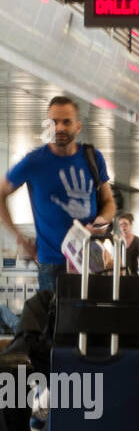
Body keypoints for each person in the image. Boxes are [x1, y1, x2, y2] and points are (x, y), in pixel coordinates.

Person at [0, 95, 116, 295]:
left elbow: (109, 202)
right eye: (54, 122)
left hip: (90, 260)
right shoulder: (34, 162)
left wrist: (100, 221)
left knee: (93, 322)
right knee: (56, 324)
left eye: (66, 122)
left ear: (77, 127)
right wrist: (19, 239)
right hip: (52, 266)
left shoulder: (93, 157)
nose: (60, 128)